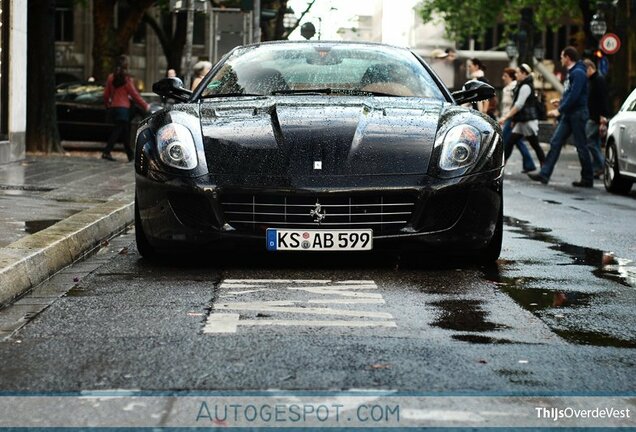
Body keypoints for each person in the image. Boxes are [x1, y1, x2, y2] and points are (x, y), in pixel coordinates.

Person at [528, 46, 594, 188]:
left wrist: (560, 109)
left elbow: (575, 95)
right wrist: (562, 102)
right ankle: (544, 174)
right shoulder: (574, 72)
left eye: (562, 56)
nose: (560, 59)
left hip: (577, 113)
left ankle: (588, 178)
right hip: (570, 113)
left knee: (581, 146)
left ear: (568, 58)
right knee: (555, 141)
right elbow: (571, 94)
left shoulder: (578, 73)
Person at [102, 55, 150, 162]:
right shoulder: (127, 80)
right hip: (123, 109)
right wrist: (145, 105)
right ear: (126, 66)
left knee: (124, 132)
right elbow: (135, 95)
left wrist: (107, 105)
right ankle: (107, 151)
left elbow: (105, 95)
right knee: (119, 131)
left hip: (114, 108)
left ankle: (130, 155)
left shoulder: (111, 78)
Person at [498, 64, 545, 171]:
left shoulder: (526, 86)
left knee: (535, 144)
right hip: (521, 121)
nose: (516, 74)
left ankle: (545, 167)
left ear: (524, 74)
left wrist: (506, 117)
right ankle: (500, 166)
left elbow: (519, 105)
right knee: (509, 143)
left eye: (518, 72)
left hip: (528, 121)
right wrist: (514, 120)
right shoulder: (521, 85)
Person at [583, 58, 610, 178]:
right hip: (594, 115)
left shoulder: (598, 80)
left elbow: (602, 99)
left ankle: (602, 166)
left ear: (590, 68)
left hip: (595, 116)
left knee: (590, 142)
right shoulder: (594, 80)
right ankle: (598, 168)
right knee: (595, 143)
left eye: (585, 71)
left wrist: (602, 116)